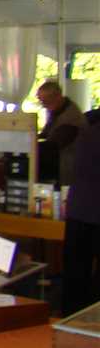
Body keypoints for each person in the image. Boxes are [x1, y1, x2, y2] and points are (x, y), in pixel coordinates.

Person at [62, 120, 100, 315]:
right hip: (92, 212)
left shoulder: (87, 132)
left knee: (74, 276)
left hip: (78, 211)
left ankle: (70, 321)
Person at [37, 80, 87, 185]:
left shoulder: (71, 117)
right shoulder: (58, 110)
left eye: (46, 101)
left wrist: (31, 146)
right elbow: (46, 133)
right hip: (59, 161)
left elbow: (54, 145)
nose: (44, 105)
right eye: (41, 101)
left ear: (57, 97)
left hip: (68, 168)